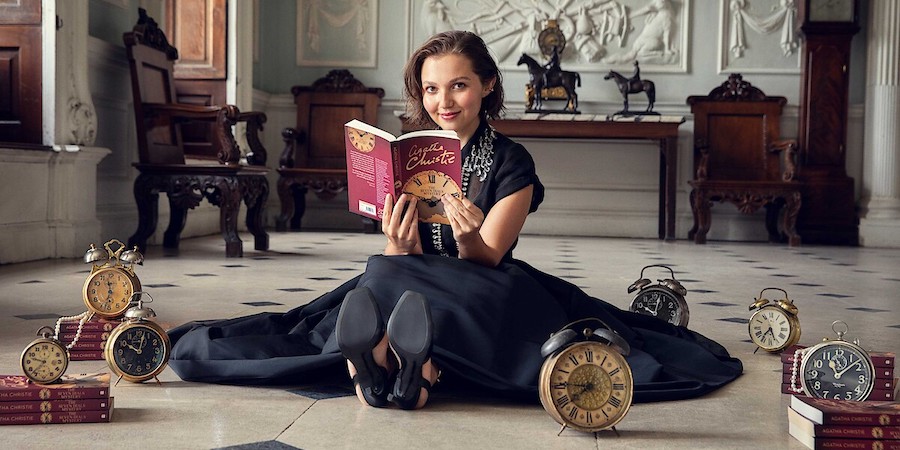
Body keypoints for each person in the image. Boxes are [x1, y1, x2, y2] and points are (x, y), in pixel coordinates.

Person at [167, 30, 742, 410]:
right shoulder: (409, 154)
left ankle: (388, 362)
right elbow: (401, 258)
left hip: (487, 284)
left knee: (399, 287)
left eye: (459, 85)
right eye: (432, 88)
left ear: (487, 85)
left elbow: (489, 256)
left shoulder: (513, 161)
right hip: (411, 278)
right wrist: (397, 244)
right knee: (382, 270)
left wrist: (469, 234)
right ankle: (409, 372)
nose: (445, 101)